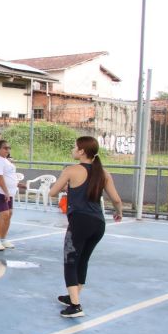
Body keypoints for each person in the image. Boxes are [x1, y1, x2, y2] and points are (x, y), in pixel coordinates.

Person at [48, 136, 123, 318]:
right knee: (83, 260)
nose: (73, 149)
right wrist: (118, 212)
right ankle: (73, 296)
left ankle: (75, 306)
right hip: (98, 224)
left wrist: (67, 184)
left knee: (71, 261)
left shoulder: (71, 170)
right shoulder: (103, 173)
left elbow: (52, 193)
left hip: (80, 222)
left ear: (82, 151)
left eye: (75, 147)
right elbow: (116, 199)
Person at [0, 140, 25, 251]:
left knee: (9, 214)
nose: (7, 150)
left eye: (9, 148)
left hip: (7, 192)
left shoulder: (4, 160)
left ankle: (3, 239)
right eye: (5, 148)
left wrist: (17, 184)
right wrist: (6, 192)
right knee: (4, 214)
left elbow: (8, 176)